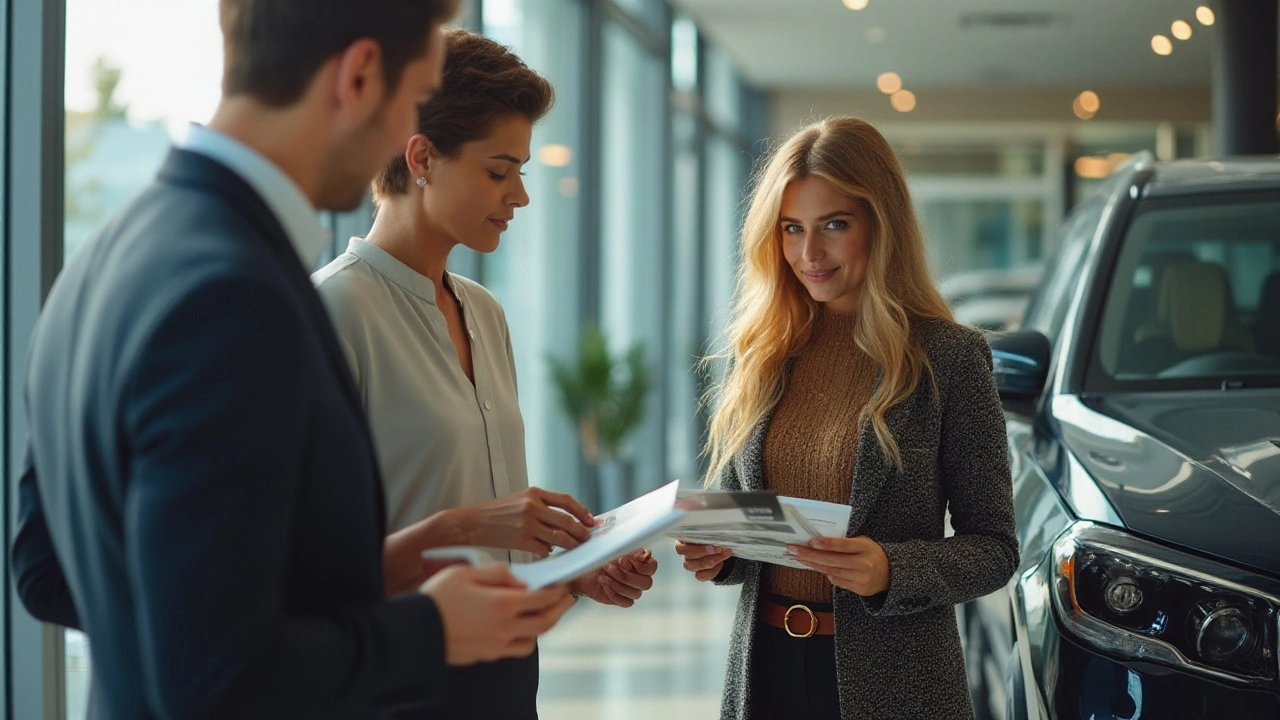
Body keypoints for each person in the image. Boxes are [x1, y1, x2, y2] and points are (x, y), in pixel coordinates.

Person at [10, 2, 576, 718]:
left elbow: (45, 574)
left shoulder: (106, 257)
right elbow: (221, 677)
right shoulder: (232, 296)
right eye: (412, 96)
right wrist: (430, 628)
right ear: (362, 74)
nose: (407, 129)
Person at [312, 29, 658, 719]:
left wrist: (574, 565)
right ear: (422, 159)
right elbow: (307, 568)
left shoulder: (485, 312)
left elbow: (484, 516)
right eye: (499, 171)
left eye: (522, 171)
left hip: (505, 672)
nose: (520, 197)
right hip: (395, 680)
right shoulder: (332, 312)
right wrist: (467, 522)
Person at [675, 116, 1019, 720]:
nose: (810, 253)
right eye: (792, 229)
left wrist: (892, 568)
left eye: (834, 225)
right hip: (767, 671)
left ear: (880, 225)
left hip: (897, 682)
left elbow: (994, 547)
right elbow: (748, 520)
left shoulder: (949, 357)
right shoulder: (763, 352)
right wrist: (720, 551)